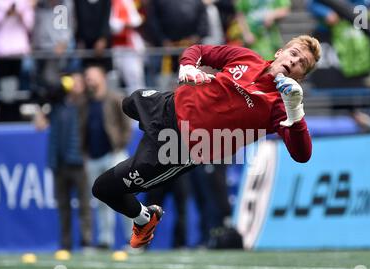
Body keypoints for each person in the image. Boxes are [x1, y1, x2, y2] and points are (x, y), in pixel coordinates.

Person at [91, 35, 321, 248]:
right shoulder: (246, 57)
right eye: (293, 53)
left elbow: (302, 155)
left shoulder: (280, 107)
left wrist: (296, 112)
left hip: (176, 148)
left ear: (300, 77)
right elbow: (199, 50)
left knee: (103, 188)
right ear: (280, 51)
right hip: (167, 106)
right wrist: (189, 66)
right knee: (128, 102)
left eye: (302, 63)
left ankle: (144, 218)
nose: (294, 61)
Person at [34, 73, 92, 251]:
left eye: (78, 82)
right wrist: (48, 98)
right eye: (71, 81)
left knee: (84, 205)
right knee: (63, 207)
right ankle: (65, 244)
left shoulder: (84, 104)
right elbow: (39, 124)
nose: (74, 84)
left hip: (79, 162)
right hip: (59, 162)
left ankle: (86, 242)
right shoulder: (57, 105)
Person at [79, 65, 133, 250]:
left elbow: (126, 125)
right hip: (93, 156)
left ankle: (133, 238)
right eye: (87, 77)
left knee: (124, 196)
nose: (89, 81)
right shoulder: (85, 102)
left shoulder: (114, 98)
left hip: (114, 155)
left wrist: (120, 145)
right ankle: (105, 239)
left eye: (92, 77)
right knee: (101, 200)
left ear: (102, 78)